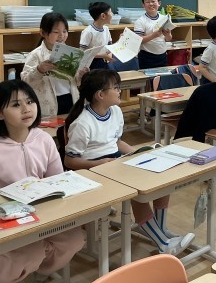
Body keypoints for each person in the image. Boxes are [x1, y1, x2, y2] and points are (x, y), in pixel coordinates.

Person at [63, 70, 194, 254]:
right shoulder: (83, 123)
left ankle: (160, 230)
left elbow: (117, 142)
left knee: (161, 180)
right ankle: (163, 244)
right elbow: (70, 160)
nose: (120, 91)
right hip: (93, 170)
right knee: (138, 192)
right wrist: (99, 164)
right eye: (116, 88)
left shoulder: (115, 111)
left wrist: (139, 152)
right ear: (100, 95)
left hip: (115, 163)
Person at [0, 80, 85, 282]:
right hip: (4, 218)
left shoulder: (44, 139)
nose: (26, 109)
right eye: (16, 105)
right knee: (29, 253)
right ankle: (13, 272)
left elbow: (58, 181)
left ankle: (38, 269)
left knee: (74, 239)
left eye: (30, 101)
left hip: (42, 212)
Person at [21, 12, 81, 116]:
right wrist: (39, 70)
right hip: (49, 103)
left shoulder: (71, 53)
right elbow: (25, 82)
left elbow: (76, 81)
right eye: (56, 32)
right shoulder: (36, 55)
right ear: (43, 33)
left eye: (65, 31)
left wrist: (81, 75)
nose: (61, 35)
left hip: (71, 98)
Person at [134, 0, 172, 69]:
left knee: (163, 76)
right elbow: (138, 40)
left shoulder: (165, 18)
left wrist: (168, 35)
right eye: (147, 2)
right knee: (148, 77)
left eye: (153, 1)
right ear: (143, 5)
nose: (151, 4)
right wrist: (154, 35)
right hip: (147, 57)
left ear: (159, 3)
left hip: (162, 55)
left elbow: (168, 39)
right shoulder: (140, 21)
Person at [79, 1, 114, 70]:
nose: (112, 15)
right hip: (92, 64)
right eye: (110, 12)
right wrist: (102, 56)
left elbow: (110, 46)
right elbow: (82, 53)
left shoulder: (106, 29)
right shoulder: (88, 32)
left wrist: (120, 40)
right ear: (103, 16)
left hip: (104, 61)